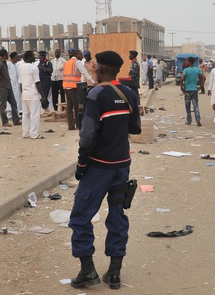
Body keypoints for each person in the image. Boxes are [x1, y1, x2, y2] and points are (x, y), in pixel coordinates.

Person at [69, 50, 141, 290]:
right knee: (118, 215)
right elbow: (135, 128)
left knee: (80, 216)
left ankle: (87, 270)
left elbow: (88, 135)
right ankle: (114, 272)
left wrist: (81, 164)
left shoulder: (95, 94)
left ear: (100, 69)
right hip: (122, 165)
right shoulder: (129, 93)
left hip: (99, 167)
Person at [63, 49, 96, 130]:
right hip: (73, 86)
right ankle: (79, 125)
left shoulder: (67, 62)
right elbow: (85, 73)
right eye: (81, 55)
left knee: (69, 107)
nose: (82, 56)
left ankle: (70, 125)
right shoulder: (77, 62)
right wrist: (93, 82)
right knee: (77, 106)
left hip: (66, 86)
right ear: (77, 54)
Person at [19, 50, 43, 139]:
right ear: (29, 57)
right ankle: (34, 134)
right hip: (33, 94)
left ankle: (25, 133)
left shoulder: (21, 67)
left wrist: (23, 93)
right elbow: (37, 82)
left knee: (25, 114)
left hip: (24, 93)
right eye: (33, 56)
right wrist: (43, 96)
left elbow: (20, 83)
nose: (34, 57)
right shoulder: (34, 68)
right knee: (34, 115)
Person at [0, 49, 20, 127]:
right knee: (3, 106)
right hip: (2, 87)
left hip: (8, 87)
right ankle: (5, 122)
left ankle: (16, 120)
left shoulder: (5, 63)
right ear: (4, 55)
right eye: (7, 54)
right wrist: (1, 78)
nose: (8, 55)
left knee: (14, 103)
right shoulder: (0, 64)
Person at [180, 57, 205, 126]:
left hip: (187, 90)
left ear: (189, 62)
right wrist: (200, 86)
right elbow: (204, 77)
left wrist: (182, 87)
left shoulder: (186, 70)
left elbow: (182, 79)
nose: (186, 62)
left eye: (187, 61)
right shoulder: (197, 70)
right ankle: (198, 119)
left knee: (187, 106)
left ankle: (189, 120)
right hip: (194, 90)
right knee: (196, 105)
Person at [9, 52, 22, 116]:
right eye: (17, 56)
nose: (18, 57)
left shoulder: (16, 65)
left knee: (17, 100)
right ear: (14, 57)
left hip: (17, 85)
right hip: (11, 85)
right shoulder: (9, 65)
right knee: (10, 101)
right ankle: (9, 114)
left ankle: (17, 113)